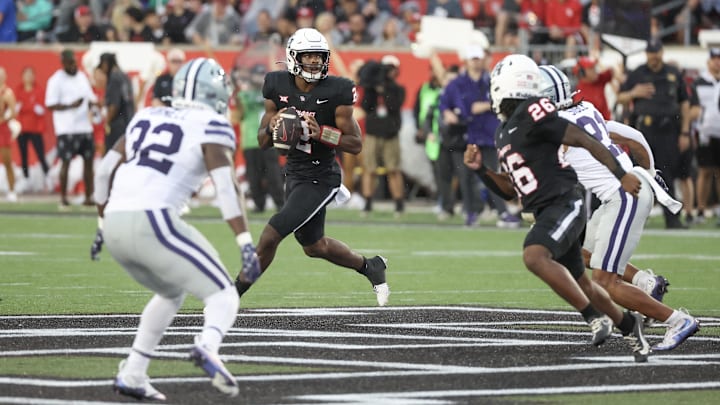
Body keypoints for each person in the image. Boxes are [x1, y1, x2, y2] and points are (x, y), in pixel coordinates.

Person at [92, 57, 260, 400]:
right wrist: (244, 241)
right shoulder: (212, 124)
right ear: (215, 91)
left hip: (113, 225)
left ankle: (134, 374)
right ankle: (207, 345)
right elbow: (226, 187)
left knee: (170, 292)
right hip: (153, 221)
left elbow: (103, 169)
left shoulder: (147, 115)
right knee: (224, 294)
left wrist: (100, 220)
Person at [464, 54, 650, 362]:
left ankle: (594, 318)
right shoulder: (504, 131)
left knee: (534, 254)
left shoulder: (535, 114)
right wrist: (480, 170)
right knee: (584, 284)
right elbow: (511, 189)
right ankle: (629, 326)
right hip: (546, 210)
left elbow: (586, 140)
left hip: (566, 202)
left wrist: (621, 174)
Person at [539, 64, 700, 352]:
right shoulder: (586, 108)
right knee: (576, 251)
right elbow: (633, 137)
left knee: (604, 283)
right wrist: (650, 173)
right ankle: (645, 282)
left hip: (623, 197)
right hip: (627, 191)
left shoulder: (555, 129)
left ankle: (677, 320)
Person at [233, 28, 389, 307]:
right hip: (294, 172)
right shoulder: (276, 86)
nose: (315, 62)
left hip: (322, 175)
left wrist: (322, 133)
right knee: (313, 246)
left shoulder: (337, 90)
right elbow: (263, 141)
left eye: (319, 57)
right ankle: (371, 266)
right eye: (309, 57)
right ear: (294, 59)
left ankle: (231, 295)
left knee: (272, 234)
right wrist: (273, 126)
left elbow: (354, 144)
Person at [441, 45, 519, 228]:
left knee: (492, 174)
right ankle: (471, 212)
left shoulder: (491, 80)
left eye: (479, 58)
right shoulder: (457, 83)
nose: (476, 62)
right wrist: (447, 112)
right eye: (473, 58)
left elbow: (499, 103)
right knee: (466, 176)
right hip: (467, 135)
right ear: (467, 60)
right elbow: (445, 103)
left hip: (489, 133)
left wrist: (482, 106)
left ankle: (501, 212)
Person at [616, 38, 691, 229]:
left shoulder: (673, 73)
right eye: (650, 53)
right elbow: (620, 97)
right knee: (639, 173)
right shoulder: (638, 73)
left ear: (661, 53)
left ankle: (672, 220)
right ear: (646, 54)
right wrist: (634, 93)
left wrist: (685, 132)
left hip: (668, 131)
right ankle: (632, 218)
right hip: (644, 131)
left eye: (656, 53)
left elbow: (684, 104)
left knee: (666, 174)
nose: (653, 57)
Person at [45, 50, 97, 206]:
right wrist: (70, 105)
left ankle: (88, 196)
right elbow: (50, 104)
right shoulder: (56, 80)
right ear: (63, 63)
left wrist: (94, 105)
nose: (73, 65)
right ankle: (63, 197)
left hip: (84, 127)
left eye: (74, 62)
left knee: (88, 162)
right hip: (66, 127)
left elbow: (90, 97)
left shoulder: (81, 77)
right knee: (65, 162)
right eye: (69, 63)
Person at [233, 63, 284, 213]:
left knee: (273, 173)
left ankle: (280, 203)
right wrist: (237, 94)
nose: (259, 78)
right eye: (257, 74)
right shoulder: (244, 94)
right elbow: (239, 115)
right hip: (250, 139)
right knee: (253, 174)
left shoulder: (272, 94)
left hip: (269, 139)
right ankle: (258, 204)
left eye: (262, 75)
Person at [360, 54, 406, 217]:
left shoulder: (398, 89)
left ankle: (399, 204)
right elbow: (365, 106)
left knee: (394, 169)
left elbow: (394, 105)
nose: (389, 72)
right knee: (369, 169)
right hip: (373, 132)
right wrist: (373, 88)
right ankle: (367, 203)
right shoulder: (371, 88)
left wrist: (384, 88)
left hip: (390, 133)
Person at [690, 47, 720, 225]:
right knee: (705, 171)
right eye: (715, 58)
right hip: (706, 133)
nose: (717, 62)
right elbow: (695, 108)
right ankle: (701, 210)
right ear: (708, 61)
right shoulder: (699, 82)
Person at [15, 66, 51, 190]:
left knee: (40, 154)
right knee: (23, 155)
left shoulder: (39, 90)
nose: (29, 77)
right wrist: (29, 106)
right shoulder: (18, 90)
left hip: (36, 129)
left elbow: (40, 110)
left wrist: (26, 106)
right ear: (22, 77)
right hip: (22, 129)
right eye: (26, 74)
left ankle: (48, 177)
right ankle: (25, 178)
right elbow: (16, 108)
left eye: (31, 74)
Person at [97, 52, 134, 153]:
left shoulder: (113, 78)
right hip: (127, 122)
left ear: (105, 64)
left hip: (117, 126)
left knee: (113, 157)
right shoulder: (125, 76)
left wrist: (107, 122)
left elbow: (114, 106)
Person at [0, 66, 17, 201]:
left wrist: (2, 119)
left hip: (3, 128)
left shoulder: (7, 93)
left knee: (7, 161)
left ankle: (12, 190)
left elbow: (13, 112)